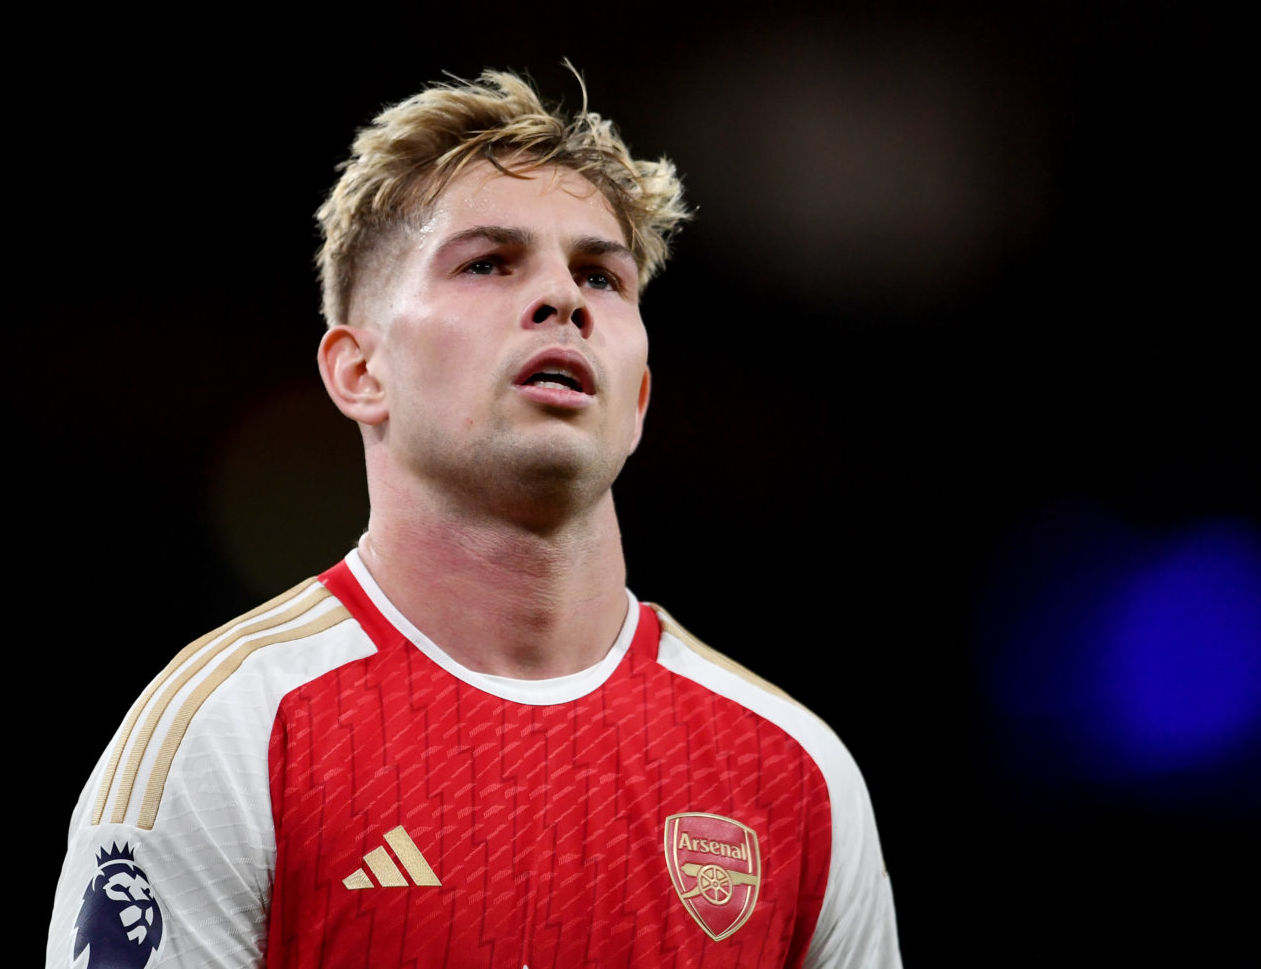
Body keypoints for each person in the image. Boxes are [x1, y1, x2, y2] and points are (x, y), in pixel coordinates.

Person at [46, 68, 902, 968]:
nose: (564, 301)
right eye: (488, 263)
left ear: (640, 396)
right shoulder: (230, 734)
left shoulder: (794, 773)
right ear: (359, 372)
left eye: (601, 277)